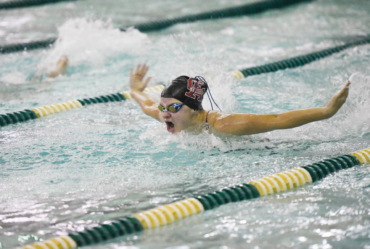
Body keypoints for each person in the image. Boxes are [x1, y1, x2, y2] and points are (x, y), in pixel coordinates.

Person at [129, 63, 350, 135]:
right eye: (163, 107)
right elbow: (146, 104)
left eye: (173, 107)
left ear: (194, 109)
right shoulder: (168, 116)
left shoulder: (224, 124)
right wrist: (134, 89)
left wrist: (326, 112)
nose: (164, 112)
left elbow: (276, 118)